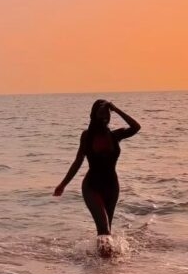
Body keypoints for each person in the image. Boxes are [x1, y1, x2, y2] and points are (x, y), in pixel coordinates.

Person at [53, 100, 141, 252]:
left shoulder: (115, 136)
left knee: (106, 231)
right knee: (104, 228)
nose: (104, 115)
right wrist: (63, 184)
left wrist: (117, 109)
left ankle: (103, 269)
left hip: (112, 187)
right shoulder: (87, 136)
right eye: (101, 111)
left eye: (107, 112)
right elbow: (78, 162)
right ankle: (101, 267)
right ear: (93, 114)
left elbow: (136, 127)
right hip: (92, 186)